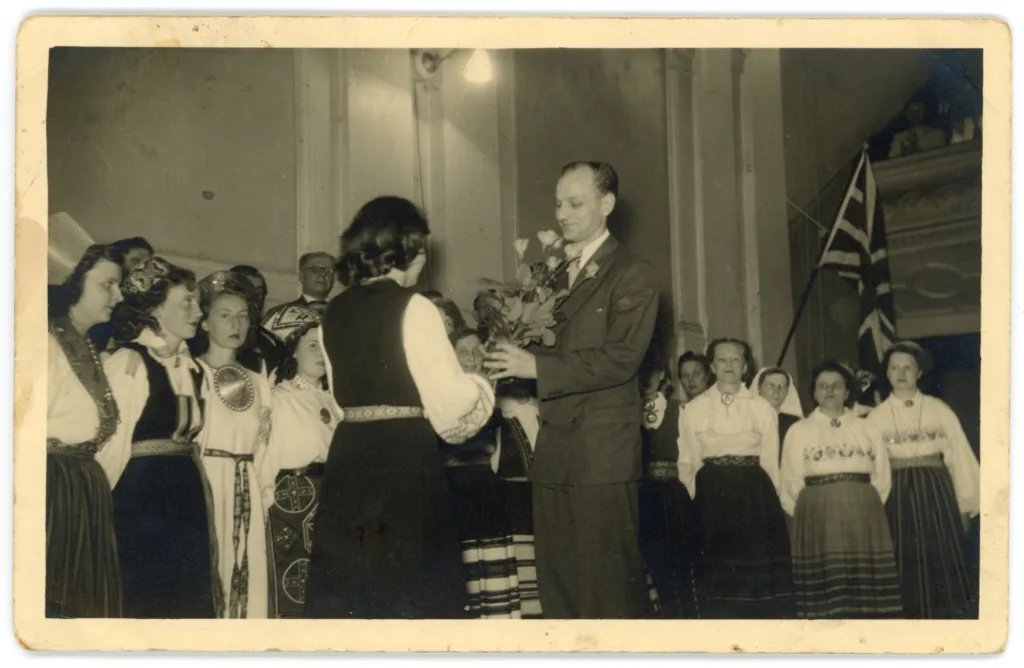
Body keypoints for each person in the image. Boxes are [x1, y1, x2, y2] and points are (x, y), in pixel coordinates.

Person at [304, 195, 495, 619]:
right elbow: (452, 403)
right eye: (423, 248)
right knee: (410, 586)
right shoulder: (415, 306)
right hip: (403, 459)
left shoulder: (333, 312)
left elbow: (338, 397)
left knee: (355, 586)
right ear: (407, 248)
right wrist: (483, 383)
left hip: (349, 458)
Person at [485, 161, 659, 619]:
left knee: (608, 593)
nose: (562, 213)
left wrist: (535, 365)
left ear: (607, 204)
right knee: (558, 590)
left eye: (575, 203)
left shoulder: (632, 272)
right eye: (559, 202)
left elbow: (622, 358)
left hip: (602, 456)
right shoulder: (552, 273)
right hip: (555, 451)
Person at [100, 257, 222, 618]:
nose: (198, 311)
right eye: (187, 301)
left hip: (187, 496)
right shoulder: (128, 362)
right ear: (154, 308)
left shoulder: (196, 369)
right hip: (140, 499)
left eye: (197, 302)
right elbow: (111, 447)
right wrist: (97, 513)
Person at [677, 337, 795, 618]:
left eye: (735, 359)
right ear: (712, 366)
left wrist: (771, 504)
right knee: (717, 571)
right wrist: (698, 501)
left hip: (754, 496)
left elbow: (769, 460)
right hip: (711, 497)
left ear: (745, 367)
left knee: (755, 570)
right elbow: (688, 460)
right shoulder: (693, 410)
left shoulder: (761, 407)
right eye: (722, 359)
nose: (729, 365)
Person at [865, 341, 980, 619]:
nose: (901, 373)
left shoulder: (938, 409)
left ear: (919, 373)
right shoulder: (875, 418)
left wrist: (966, 505)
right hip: (896, 495)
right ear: (887, 373)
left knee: (942, 557)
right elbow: (872, 467)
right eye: (895, 367)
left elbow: (960, 457)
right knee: (903, 558)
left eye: (908, 367)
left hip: (936, 492)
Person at [780, 361, 902, 619]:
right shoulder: (799, 430)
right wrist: (808, 514)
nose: (830, 391)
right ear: (814, 393)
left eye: (837, 386)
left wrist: (865, 505)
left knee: (863, 585)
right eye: (823, 386)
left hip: (863, 512)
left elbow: (881, 476)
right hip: (817, 514)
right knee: (827, 584)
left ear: (848, 392)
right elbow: (790, 481)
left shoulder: (867, 427)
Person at [46, 244, 125, 618]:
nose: (119, 295)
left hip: (81, 487)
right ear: (73, 283)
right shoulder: (44, 344)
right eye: (108, 284)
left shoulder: (86, 347)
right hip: (54, 489)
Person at [193, 271, 275, 618]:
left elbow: (265, 445)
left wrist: (263, 492)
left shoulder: (259, 381)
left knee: (250, 580)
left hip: (248, 492)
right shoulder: (191, 372)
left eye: (243, 316)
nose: (235, 324)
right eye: (225, 315)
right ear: (205, 322)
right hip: (207, 486)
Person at [440, 327, 522, 618]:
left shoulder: (492, 398)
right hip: (451, 492)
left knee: (492, 575)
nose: (473, 358)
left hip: (487, 492)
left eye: (478, 352)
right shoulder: (439, 398)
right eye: (464, 352)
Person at [263, 309, 338, 618]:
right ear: (292, 349)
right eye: (312, 345)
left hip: (330, 496)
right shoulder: (279, 398)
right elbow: (266, 453)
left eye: (325, 344)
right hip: (292, 500)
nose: (322, 352)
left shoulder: (333, 399)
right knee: (295, 582)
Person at [638, 362, 699, 618]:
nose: (646, 378)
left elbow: (689, 456)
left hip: (673, 496)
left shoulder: (678, 411)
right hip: (642, 496)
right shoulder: (630, 410)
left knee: (679, 561)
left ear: (662, 374)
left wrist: (690, 498)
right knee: (650, 563)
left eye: (650, 371)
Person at [88, 236, 154, 351]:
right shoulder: (100, 293)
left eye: (146, 265)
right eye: (135, 261)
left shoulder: (142, 301)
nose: (140, 269)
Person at [232, 264, 285, 377]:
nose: (255, 299)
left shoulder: (271, 343)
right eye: (248, 291)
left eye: (259, 293)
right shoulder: (209, 336)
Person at [263, 252, 336, 324]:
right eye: (315, 269)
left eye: (328, 271)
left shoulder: (343, 312)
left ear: (334, 279)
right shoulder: (279, 314)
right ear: (301, 277)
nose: (323, 274)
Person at [751, 366, 805, 464]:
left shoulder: (794, 424)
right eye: (769, 386)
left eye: (781, 386)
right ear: (758, 388)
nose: (776, 391)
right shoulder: (747, 419)